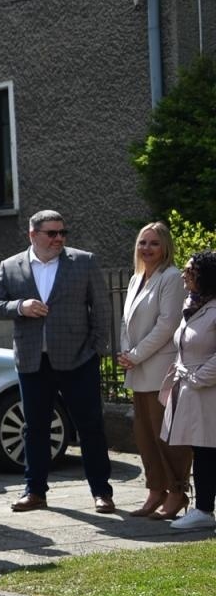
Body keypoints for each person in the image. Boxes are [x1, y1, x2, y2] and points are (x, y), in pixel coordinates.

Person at [0, 209, 115, 514]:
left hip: (78, 358)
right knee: (35, 429)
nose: (59, 238)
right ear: (33, 234)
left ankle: (102, 492)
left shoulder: (83, 261)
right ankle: (35, 491)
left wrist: (97, 349)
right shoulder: (11, 266)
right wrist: (21, 306)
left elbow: (101, 307)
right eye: (52, 233)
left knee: (90, 426)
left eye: (62, 233)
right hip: (33, 361)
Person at [120, 222, 190, 518]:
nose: (146, 249)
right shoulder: (137, 278)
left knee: (166, 435)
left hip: (159, 369)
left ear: (165, 248)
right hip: (137, 370)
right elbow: (128, 323)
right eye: (142, 243)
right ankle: (155, 490)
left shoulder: (171, 277)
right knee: (144, 434)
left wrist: (135, 355)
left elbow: (167, 324)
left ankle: (177, 492)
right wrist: (127, 355)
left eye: (154, 243)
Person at [161, 251, 216, 531]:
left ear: (204, 276)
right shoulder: (192, 304)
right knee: (202, 449)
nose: (184, 275)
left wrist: (198, 378)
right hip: (193, 388)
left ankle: (205, 509)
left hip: (207, 389)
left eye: (189, 271)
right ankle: (204, 508)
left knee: (209, 450)